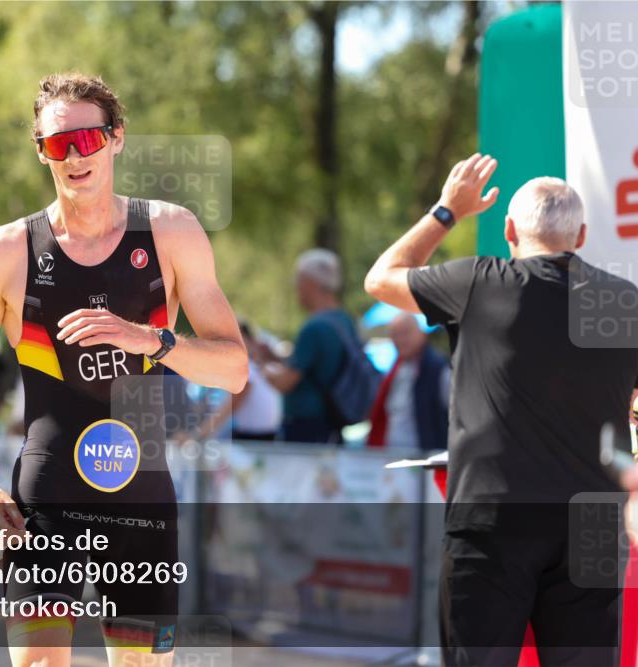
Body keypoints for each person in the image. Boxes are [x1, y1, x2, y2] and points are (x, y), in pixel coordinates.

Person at [0, 72, 247, 667]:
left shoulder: (170, 232)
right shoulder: (4, 253)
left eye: (88, 139)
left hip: (142, 500)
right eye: (57, 144)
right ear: (41, 151)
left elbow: (233, 370)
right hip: (45, 501)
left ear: (117, 138)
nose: (75, 156)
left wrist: (149, 339)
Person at [365, 153, 638, 666]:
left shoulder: (478, 282)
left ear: (509, 229)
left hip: (493, 519)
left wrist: (447, 211)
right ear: (580, 238)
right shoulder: (625, 303)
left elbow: (381, 279)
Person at [260, 249, 356, 444]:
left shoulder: (314, 327)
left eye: (299, 282)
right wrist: (276, 359)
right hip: (333, 424)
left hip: (307, 430)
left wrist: (262, 367)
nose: (297, 289)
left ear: (311, 282)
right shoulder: (344, 321)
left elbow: (286, 382)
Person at [183, 320, 281, 442]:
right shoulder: (255, 367)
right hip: (259, 438)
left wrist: (196, 436)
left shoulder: (249, 369)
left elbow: (228, 409)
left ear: (249, 340)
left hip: (254, 440)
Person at [367, 312, 449, 451]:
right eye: (395, 335)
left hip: (426, 458)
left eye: (405, 333)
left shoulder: (438, 369)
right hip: (393, 458)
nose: (400, 340)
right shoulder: (395, 369)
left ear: (421, 334)